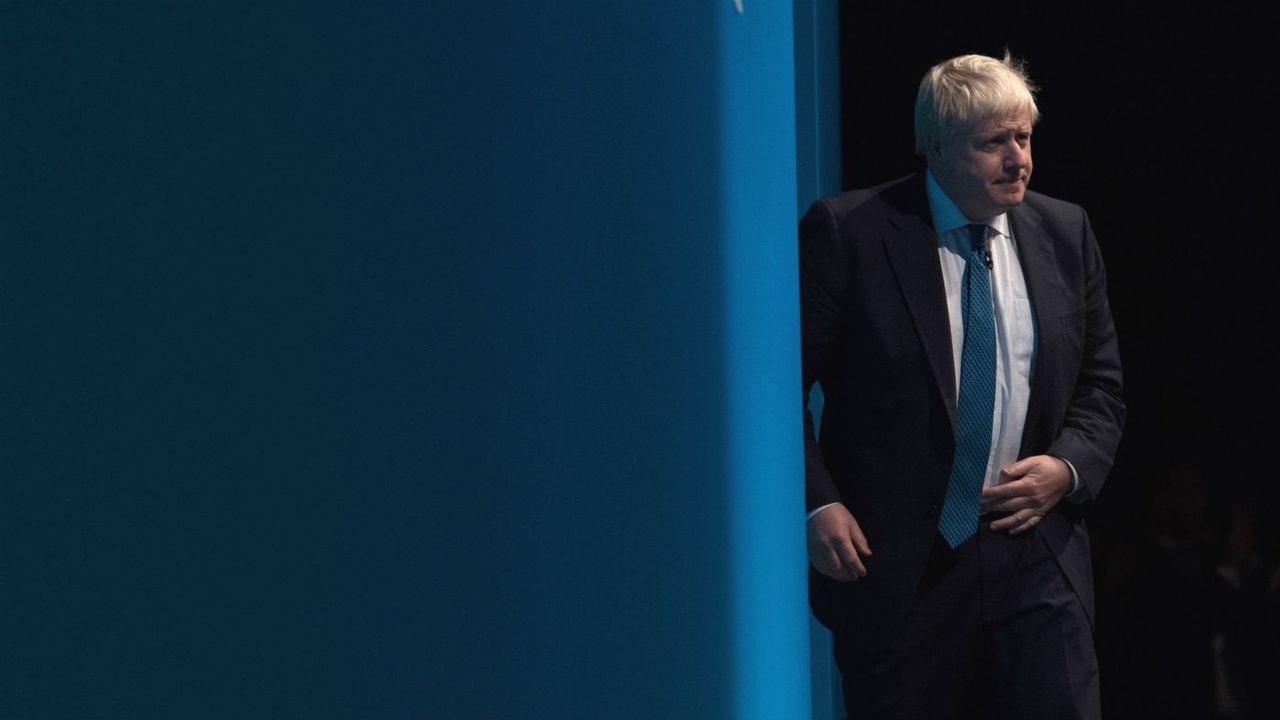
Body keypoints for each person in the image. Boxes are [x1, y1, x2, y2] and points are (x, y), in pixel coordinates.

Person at [800, 53, 1124, 719]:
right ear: (939, 147)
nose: (1018, 160)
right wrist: (816, 505)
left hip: (1036, 546)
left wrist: (1066, 468)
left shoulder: (1066, 232)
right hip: (902, 562)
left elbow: (1101, 385)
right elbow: (777, 393)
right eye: (993, 143)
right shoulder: (851, 233)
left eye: (1024, 138)